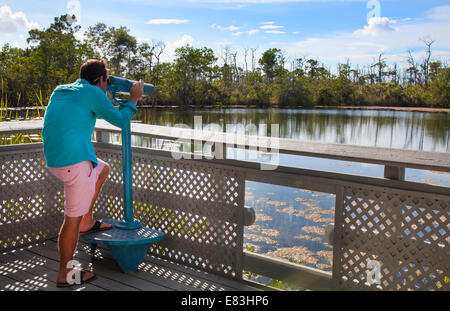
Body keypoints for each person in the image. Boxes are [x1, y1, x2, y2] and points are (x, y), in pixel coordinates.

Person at [42, 59, 144, 287]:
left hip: (55, 160)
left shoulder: (61, 90)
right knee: (71, 221)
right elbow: (121, 120)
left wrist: (102, 97)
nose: (107, 85)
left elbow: (75, 113)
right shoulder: (93, 93)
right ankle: (64, 274)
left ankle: (87, 220)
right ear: (100, 80)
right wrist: (134, 97)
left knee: (102, 168)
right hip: (74, 165)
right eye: (107, 81)